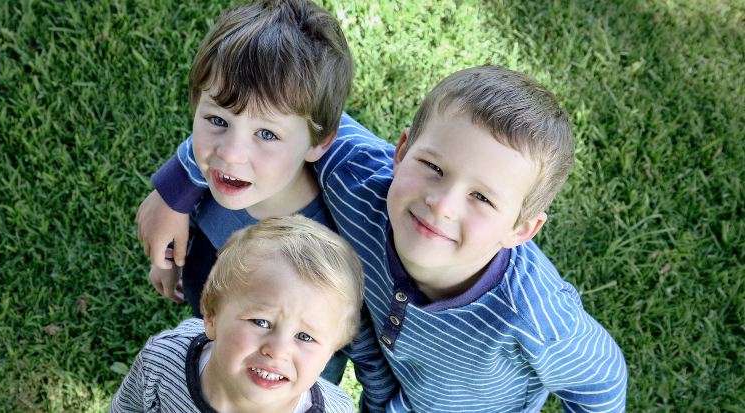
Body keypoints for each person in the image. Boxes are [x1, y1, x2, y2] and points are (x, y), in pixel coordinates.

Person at [140, 65, 628, 411]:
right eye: (433, 166)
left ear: (522, 229)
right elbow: (277, 111)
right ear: (401, 150)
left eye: (482, 198)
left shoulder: (535, 314)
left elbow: (602, 382)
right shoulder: (358, 173)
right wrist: (175, 191)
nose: (442, 203)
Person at [137, 0, 355, 385]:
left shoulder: (330, 240)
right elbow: (185, 219)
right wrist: (169, 259)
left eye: (267, 134)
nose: (230, 154)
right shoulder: (216, 179)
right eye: (217, 120)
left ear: (319, 142)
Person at [111, 216, 364, 413]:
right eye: (261, 322)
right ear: (212, 317)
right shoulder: (162, 361)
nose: (278, 351)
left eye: (305, 337)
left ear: (331, 352)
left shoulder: (335, 409)